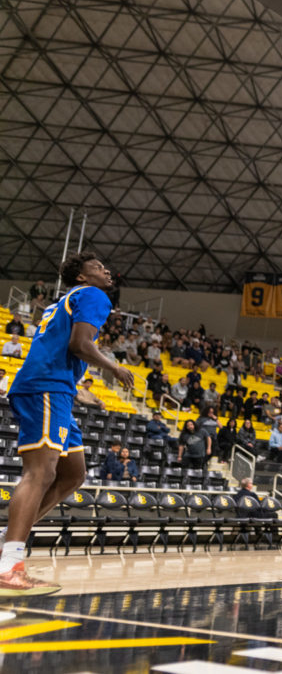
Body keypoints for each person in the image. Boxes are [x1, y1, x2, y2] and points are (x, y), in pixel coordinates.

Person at [2, 252, 134, 595]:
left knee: (73, 473)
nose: (105, 270)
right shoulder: (93, 295)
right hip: (46, 385)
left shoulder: (68, 300)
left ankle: (7, 544)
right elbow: (80, 345)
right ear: (81, 277)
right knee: (40, 473)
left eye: (106, 266)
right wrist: (114, 368)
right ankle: (9, 564)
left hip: (56, 389)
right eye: (97, 267)